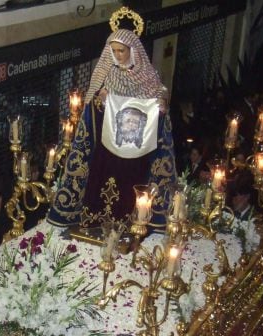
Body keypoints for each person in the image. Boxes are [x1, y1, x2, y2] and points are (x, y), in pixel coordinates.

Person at [48, 25, 176, 230]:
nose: (118, 55)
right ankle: (98, 219)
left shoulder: (148, 75)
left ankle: (135, 222)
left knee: (132, 187)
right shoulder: (107, 75)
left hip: (137, 150)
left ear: (133, 50)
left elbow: (159, 93)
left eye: (121, 51)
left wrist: (161, 101)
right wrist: (101, 101)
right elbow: (92, 108)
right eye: (114, 51)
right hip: (108, 149)